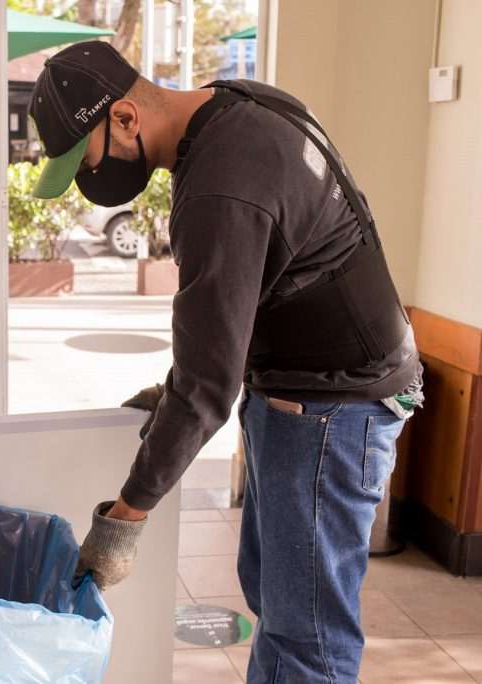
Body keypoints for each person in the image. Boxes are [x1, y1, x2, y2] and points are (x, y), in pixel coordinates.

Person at [29, 41, 423, 683]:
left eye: (87, 159)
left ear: (124, 117)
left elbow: (209, 385)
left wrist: (123, 521)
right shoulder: (237, 106)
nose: (88, 180)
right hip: (309, 392)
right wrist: (175, 389)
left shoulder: (219, 182)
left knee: (309, 638)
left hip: (331, 408)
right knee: (278, 606)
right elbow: (237, 318)